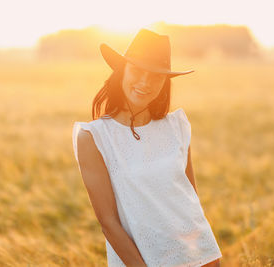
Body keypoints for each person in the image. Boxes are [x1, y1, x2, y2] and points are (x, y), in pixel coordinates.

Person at [72, 28, 222, 267]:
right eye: (137, 71)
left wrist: (207, 258)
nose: (145, 82)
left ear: (165, 82)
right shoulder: (94, 137)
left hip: (199, 258)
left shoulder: (176, 126)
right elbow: (108, 222)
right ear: (122, 71)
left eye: (156, 76)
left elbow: (191, 201)